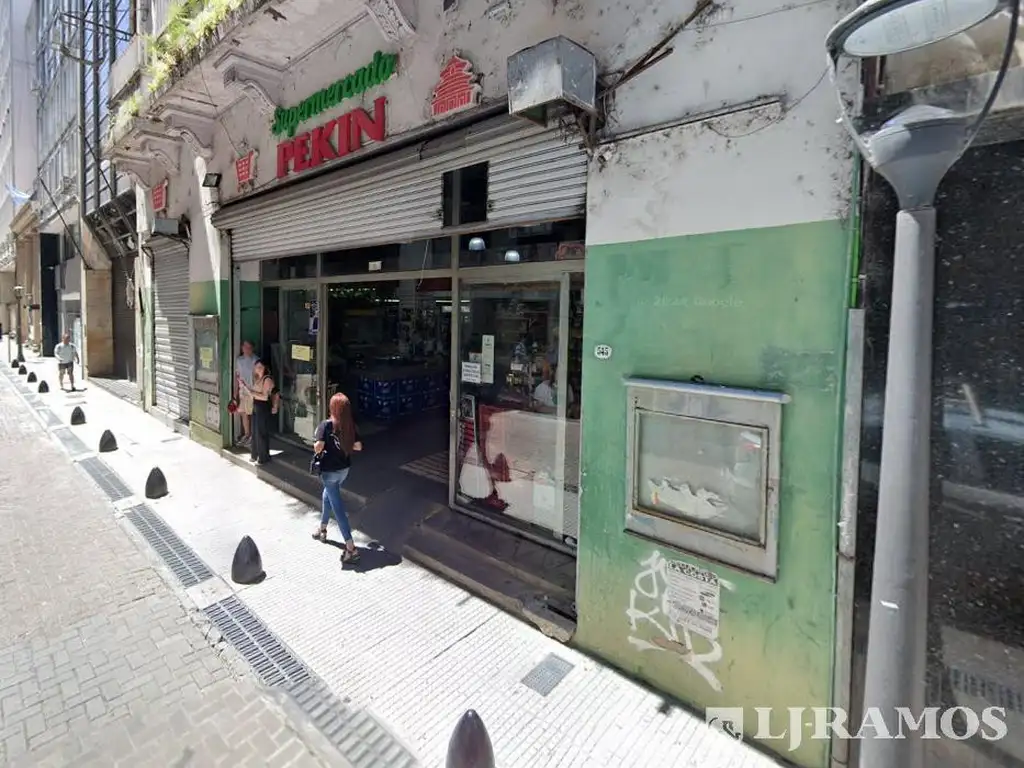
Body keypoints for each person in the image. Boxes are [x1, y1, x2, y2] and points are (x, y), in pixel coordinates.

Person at [311, 393, 363, 564]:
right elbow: (358, 446)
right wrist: (344, 443)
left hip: (329, 471)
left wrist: (319, 442)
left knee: (338, 509)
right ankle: (322, 529)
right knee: (327, 495)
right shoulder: (350, 426)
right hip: (344, 470)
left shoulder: (326, 425)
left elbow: (318, 447)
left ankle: (350, 547)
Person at [239, 358, 274, 465]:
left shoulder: (267, 379)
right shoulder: (258, 378)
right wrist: (245, 387)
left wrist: (251, 392)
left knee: (261, 432)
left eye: (260, 367)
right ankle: (255, 455)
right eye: (256, 367)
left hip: (263, 406)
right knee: (254, 431)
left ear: (265, 368)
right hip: (256, 405)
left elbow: (264, 397)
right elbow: (252, 393)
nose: (257, 369)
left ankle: (263, 457)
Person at [234, 340, 257, 446]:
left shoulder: (256, 360)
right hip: (242, 390)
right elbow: (237, 376)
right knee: (243, 413)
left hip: (253, 391)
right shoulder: (239, 360)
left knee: (251, 413)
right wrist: (235, 393)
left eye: (249, 347)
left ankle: (253, 436)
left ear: (252, 349)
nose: (247, 349)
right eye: (245, 347)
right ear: (242, 348)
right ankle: (247, 434)